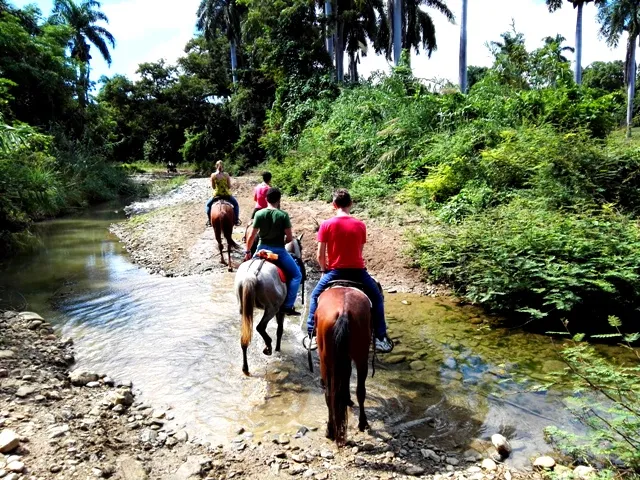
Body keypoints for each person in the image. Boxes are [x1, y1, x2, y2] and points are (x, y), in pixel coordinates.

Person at [306, 188, 393, 353]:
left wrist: (324, 270)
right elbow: (359, 251)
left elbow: (320, 255)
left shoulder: (326, 225)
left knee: (315, 296)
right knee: (377, 298)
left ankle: (311, 334)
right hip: (358, 272)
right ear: (350, 204)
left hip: (334, 272)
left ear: (334, 205)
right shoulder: (360, 225)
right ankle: (380, 337)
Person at [244, 187, 302, 316]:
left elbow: (251, 237)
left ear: (266, 199)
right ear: (279, 199)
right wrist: (283, 242)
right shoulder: (283, 215)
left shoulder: (259, 214)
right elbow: (290, 238)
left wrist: (247, 252)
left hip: (261, 250)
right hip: (279, 251)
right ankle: (288, 306)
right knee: (297, 275)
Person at [205, 161, 240, 226]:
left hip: (217, 195)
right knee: (236, 205)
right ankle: (236, 220)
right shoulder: (226, 175)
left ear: (216, 166)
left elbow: (213, 187)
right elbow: (229, 186)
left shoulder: (213, 175)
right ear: (223, 166)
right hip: (226, 194)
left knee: (208, 205)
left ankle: (209, 220)